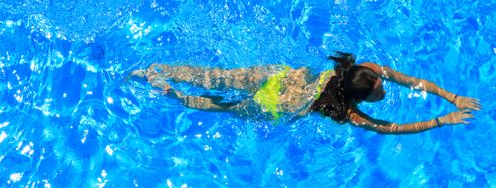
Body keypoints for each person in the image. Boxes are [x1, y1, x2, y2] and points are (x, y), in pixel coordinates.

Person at [129, 52, 482, 134]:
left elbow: (413, 80)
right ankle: (169, 91)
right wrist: (442, 119)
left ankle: (157, 70)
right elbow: (389, 128)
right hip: (277, 101)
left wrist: (452, 96)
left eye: (380, 86)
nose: (383, 89)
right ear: (359, 95)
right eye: (377, 92)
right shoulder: (348, 112)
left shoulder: (364, 69)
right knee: (224, 106)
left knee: (219, 77)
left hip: (281, 77)